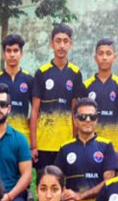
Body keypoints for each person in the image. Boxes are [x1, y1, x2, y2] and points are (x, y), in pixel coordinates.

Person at [31, 23, 86, 177]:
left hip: (66, 142)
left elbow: (75, 111)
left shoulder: (75, 73)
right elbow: (35, 110)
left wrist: (76, 141)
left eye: (65, 41)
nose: (61, 45)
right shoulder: (41, 73)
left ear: (71, 44)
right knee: (43, 185)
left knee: (64, 187)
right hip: (44, 143)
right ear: (51, 44)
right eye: (58, 41)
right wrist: (33, 145)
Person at [55, 98, 118, 201]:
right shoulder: (65, 147)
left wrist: (80, 195)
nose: (88, 120)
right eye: (82, 117)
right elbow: (56, 180)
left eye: (92, 116)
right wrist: (67, 200)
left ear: (97, 119)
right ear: (75, 120)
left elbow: (109, 181)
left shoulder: (106, 146)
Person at [83, 38, 118, 151]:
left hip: (112, 145)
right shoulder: (86, 86)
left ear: (114, 57)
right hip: (90, 144)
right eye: (101, 54)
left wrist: (117, 137)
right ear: (95, 58)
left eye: (108, 53)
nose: (104, 57)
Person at [0, 34, 34, 143]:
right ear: (3, 54)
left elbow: (35, 111)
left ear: (21, 54)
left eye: (15, 50)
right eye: (8, 51)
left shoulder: (30, 80)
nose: (12, 54)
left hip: (23, 138)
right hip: (0, 138)